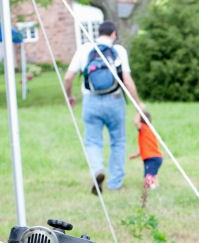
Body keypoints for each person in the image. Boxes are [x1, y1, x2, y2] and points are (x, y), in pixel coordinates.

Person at [64, 21, 141, 194]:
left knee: (92, 141)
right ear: (113, 34)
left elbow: (68, 78)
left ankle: (97, 169)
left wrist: (69, 96)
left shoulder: (84, 49)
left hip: (91, 101)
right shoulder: (119, 50)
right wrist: (138, 104)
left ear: (98, 33)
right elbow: (127, 80)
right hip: (115, 100)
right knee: (118, 141)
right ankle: (115, 183)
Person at [130, 108, 163, 190]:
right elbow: (146, 148)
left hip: (151, 158)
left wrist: (138, 111)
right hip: (156, 157)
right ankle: (156, 186)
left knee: (148, 178)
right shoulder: (149, 131)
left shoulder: (144, 129)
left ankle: (152, 188)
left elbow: (136, 122)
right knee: (152, 174)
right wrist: (135, 155)